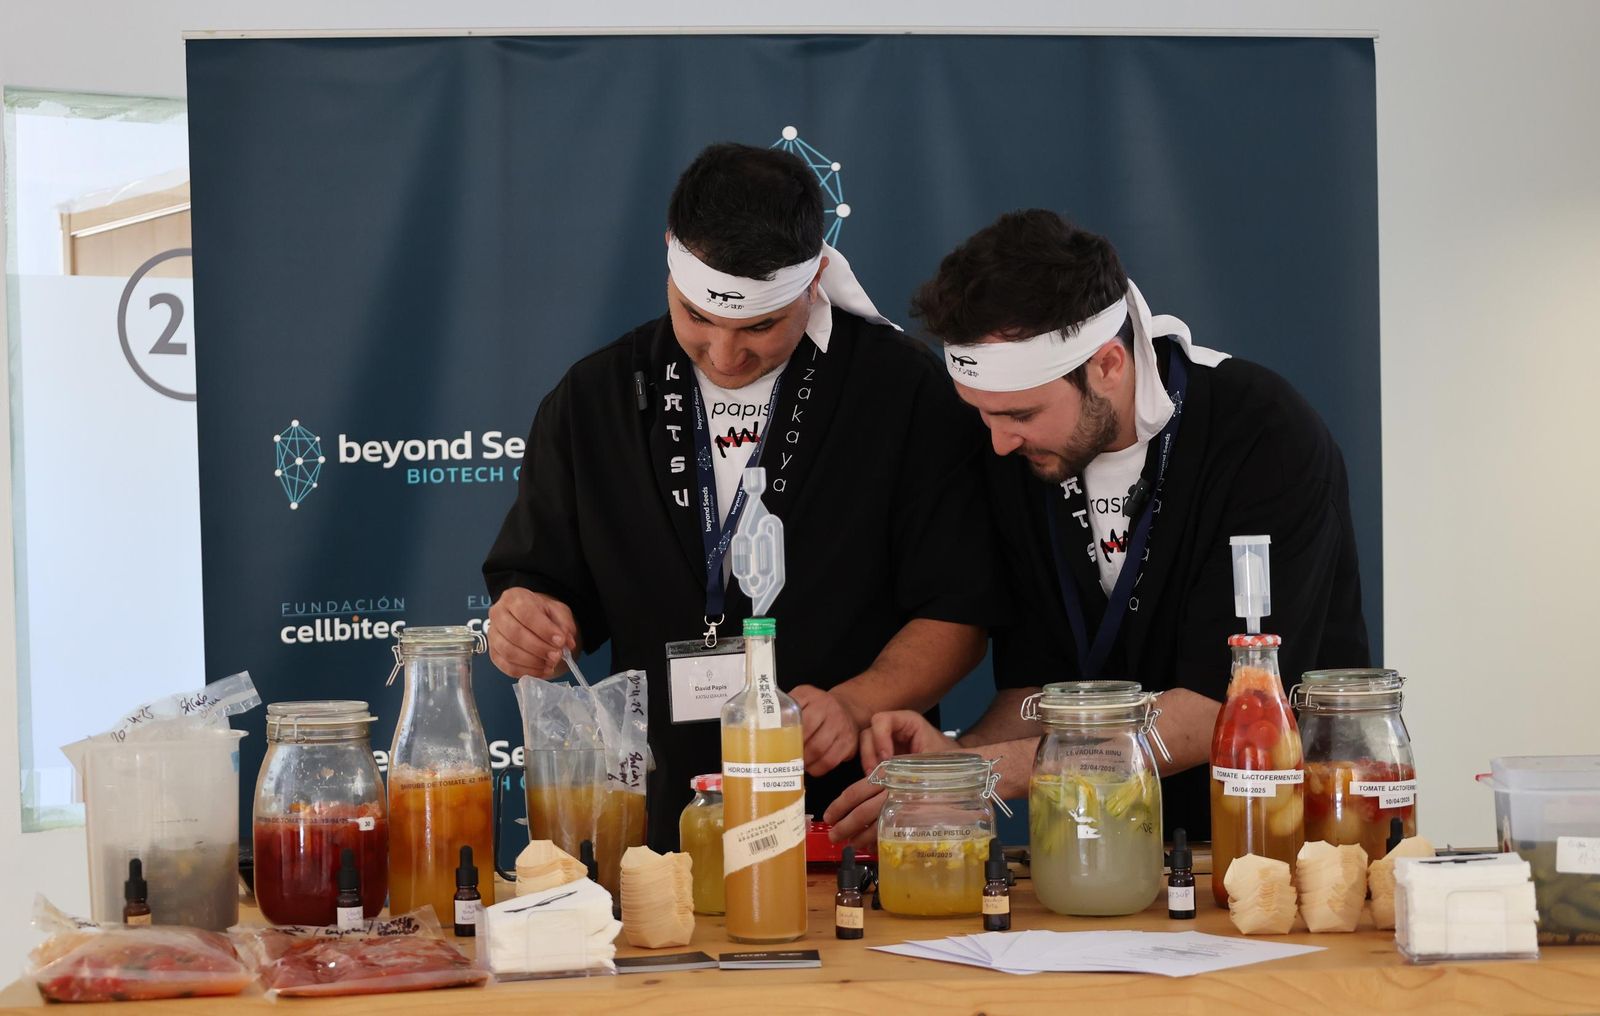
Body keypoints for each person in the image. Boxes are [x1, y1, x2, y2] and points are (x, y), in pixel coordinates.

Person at [483, 143, 999, 849]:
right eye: (697, 317)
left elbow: (962, 612)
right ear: (670, 255)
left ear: (816, 277)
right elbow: (540, 583)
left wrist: (857, 702)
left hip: (856, 816)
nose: (725, 356)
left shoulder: (906, 394)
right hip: (665, 824)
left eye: (759, 326)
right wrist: (523, 622)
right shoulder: (596, 397)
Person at [826, 209, 1369, 844]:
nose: (999, 442)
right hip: (1101, 853)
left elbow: (1229, 705)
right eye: (982, 414)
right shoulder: (1015, 457)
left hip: (1277, 841)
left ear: (1108, 365)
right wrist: (957, 757)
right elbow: (1038, 687)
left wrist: (990, 770)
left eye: (1021, 413)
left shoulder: (1262, 434)